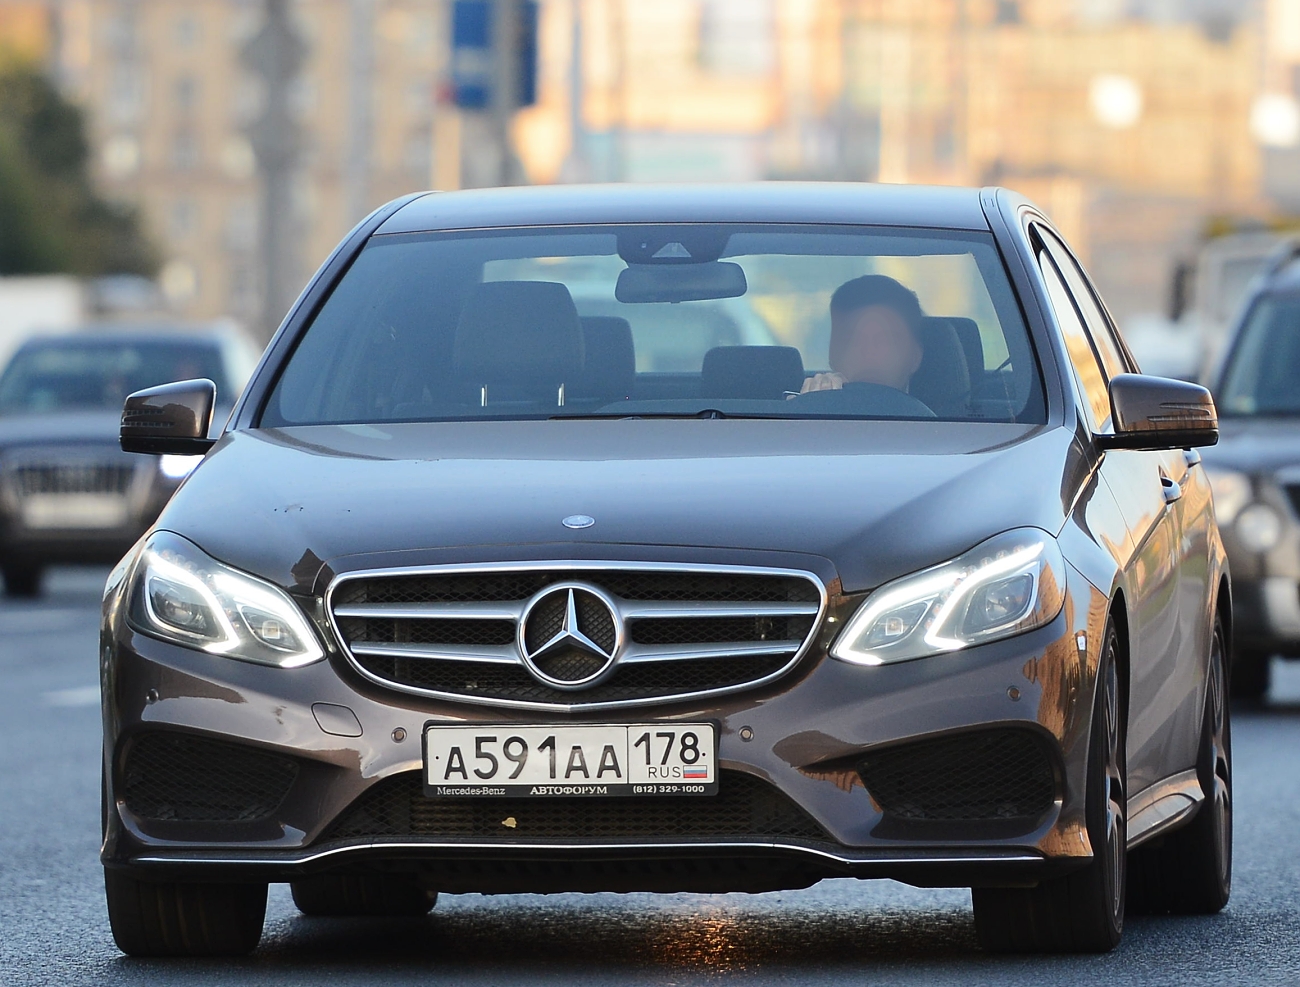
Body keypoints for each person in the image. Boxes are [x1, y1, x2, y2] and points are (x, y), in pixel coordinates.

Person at [801, 274, 925, 394]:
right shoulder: (798, 411)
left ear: (915, 358)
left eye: (885, 341)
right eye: (851, 341)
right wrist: (813, 407)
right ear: (832, 354)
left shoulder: (936, 416)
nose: (868, 353)